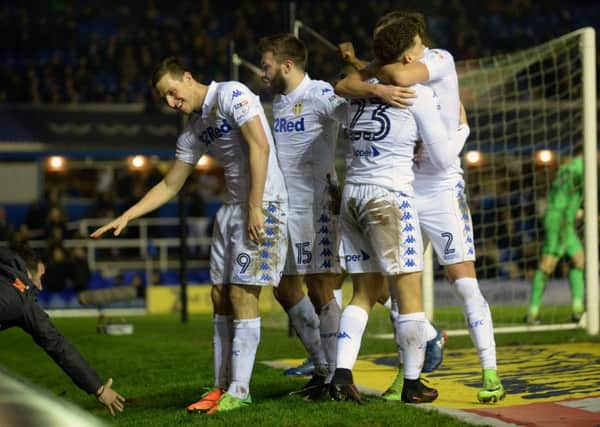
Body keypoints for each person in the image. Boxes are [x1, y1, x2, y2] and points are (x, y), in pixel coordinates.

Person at [91, 57, 288, 414]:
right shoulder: (194, 130)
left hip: (265, 203)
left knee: (243, 294)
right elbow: (170, 184)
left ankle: (240, 390)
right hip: (230, 210)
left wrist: (256, 205)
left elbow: (260, 146)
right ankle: (219, 387)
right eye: (164, 99)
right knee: (219, 295)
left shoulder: (232, 95)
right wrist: (127, 215)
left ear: (187, 77)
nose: (171, 103)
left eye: (172, 92)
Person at [335, 11, 505, 404]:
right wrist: (366, 71)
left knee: (463, 283)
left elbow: (389, 78)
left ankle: (490, 372)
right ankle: (407, 376)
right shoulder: (393, 82)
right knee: (398, 291)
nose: (421, 49)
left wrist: (463, 128)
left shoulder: (438, 59)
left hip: (442, 188)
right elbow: (352, 83)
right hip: (403, 189)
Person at [258, 33, 348, 398]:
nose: (262, 73)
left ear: (287, 65)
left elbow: (350, 117)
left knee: (320, 287)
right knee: (282, 288)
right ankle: (321, 366)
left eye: (265, 66)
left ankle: (337, 376)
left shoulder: (320, 94)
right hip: (285, 207)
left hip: (317, 205)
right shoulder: (280, 100)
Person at [0, 246, 125, 416]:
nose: (40, 286)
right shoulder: (21, 296)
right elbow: (57, 344)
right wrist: (99, 389)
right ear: (29, 272)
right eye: (40, 277)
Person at [526, 152, 584, 324]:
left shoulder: (566, 167)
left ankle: (577, 310)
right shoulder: (581, 168)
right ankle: (532, 313)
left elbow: (564, 194)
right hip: (561, 219)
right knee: (548, 264)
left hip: (557, 216)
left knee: (578, 261)